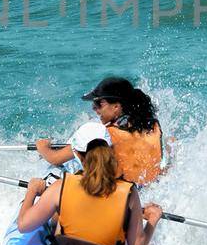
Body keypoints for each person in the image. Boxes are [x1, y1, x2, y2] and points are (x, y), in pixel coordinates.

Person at [17, 121, 162, 245]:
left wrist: (32, 192)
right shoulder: (129, 192)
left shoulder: (61, 186)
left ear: (77, 154)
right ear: (110, 150)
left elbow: (24, 225)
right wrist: (152, 220)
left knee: (56, 219)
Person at [35, 76, 166, 185]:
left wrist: (42, 147)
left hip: (121, 196)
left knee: (60, 166)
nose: (93, 108)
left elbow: (54, 158)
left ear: (116, 106)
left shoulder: (106, 133)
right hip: (145, 191)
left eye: (98, 104)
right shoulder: (154, 126)